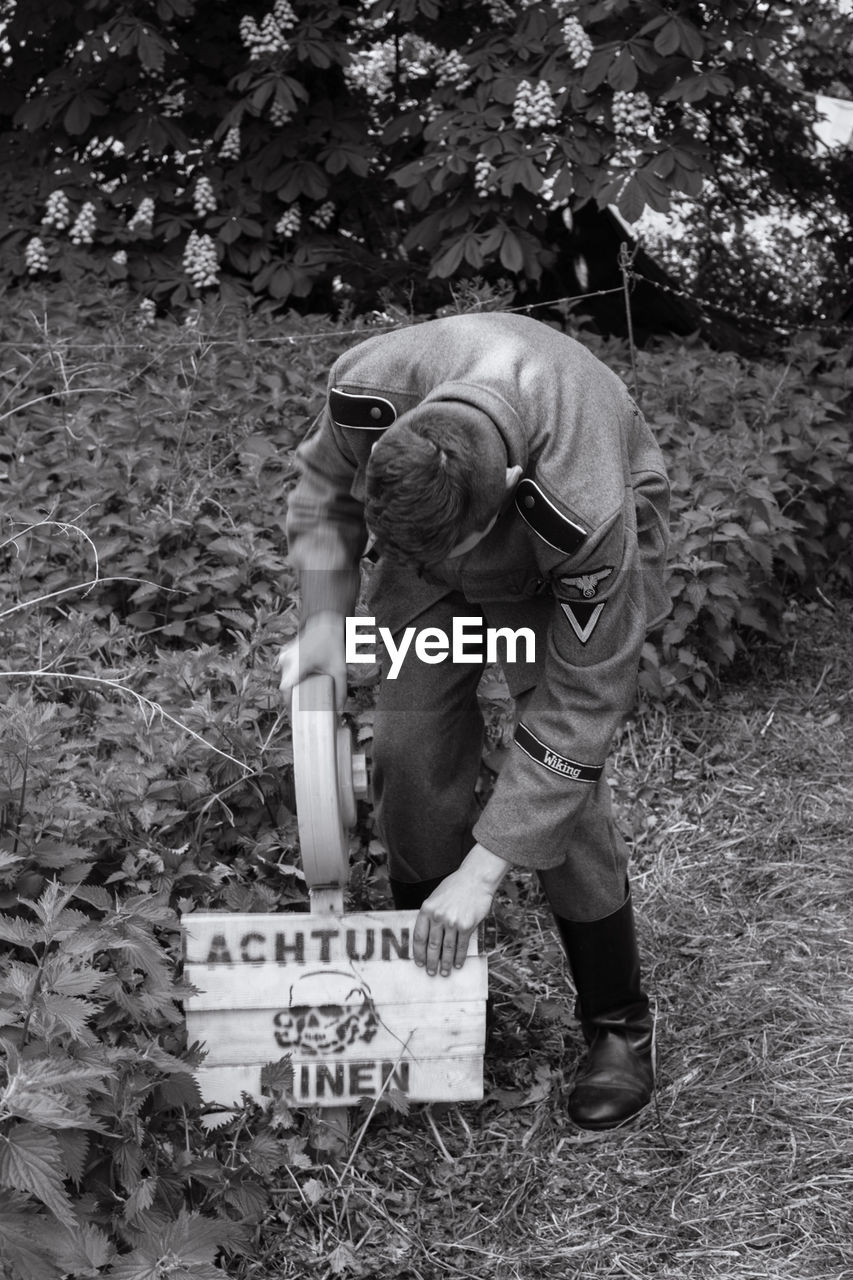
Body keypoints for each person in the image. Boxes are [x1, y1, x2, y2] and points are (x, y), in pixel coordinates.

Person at [278, 311, 670, 1130]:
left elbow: (582, 702)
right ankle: (442, 1011)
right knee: (408, 757)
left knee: (563, 793)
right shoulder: (367, 389)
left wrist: (482, 873)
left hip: (546, 569)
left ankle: (617, 1026)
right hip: (425, 547)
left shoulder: (582, 505)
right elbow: (322, 497)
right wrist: (323, 623)